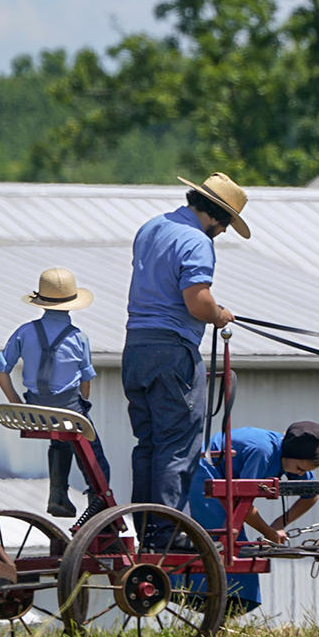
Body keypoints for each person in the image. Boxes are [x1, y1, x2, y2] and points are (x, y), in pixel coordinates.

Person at [123, 173, 248, 549]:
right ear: (215, 214)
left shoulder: (152, 227)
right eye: (225, 222)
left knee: (148, 443)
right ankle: (165, 530)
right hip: (172, 350)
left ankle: (146, 526)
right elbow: (197, 301)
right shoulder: (196, 240)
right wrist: (220, 314)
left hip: (136, 346)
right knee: (178, 442)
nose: (224, 231)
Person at [0, 267, 110, 519]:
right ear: (72, 303)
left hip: (36, 409)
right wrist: (82, 403)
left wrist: (16, 403)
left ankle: (57, 494)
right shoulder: (79, 338)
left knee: (61, 439)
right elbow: (86, 385)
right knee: (92, 450)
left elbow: (1, 370)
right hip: (69, 410)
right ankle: (98, 505)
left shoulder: (24, 332)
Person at [186, 421, 319, 616]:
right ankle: (204, 598)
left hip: (226, 482)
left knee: (234, 543)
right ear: (290, 455)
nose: (300, 474)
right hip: (206, 472)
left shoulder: (293, 458)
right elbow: (240, 502)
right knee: (222, 542)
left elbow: (311, 495)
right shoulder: (263, 452)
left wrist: (279, 524)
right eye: (299, 468)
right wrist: (269, 533)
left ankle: (224, 608)